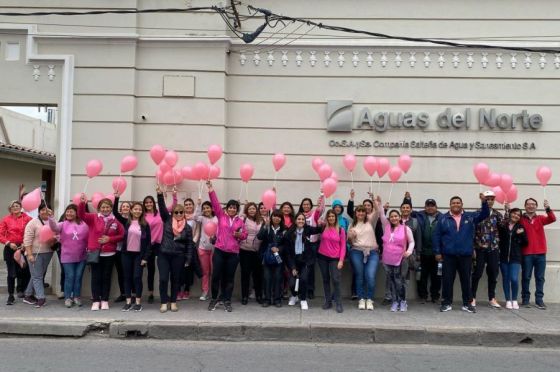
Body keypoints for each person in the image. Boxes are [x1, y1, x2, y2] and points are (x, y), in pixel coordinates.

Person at [433, 194, 489, 313]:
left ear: (462, 204)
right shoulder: (443, 218)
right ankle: (446, 303)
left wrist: (484, 202)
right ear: (450, 205)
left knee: (466, 280)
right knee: (447, 280)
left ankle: (467, 304)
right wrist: (437, 252)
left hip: (465, 255)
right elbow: (437, 236)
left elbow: (485, 214)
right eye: (453, 203)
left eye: (458, 203)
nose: (456, 204)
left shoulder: (470, 216)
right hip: (448, 255)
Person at [78, 194, 124, 311]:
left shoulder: (115, 221)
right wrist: (82, 203)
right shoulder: (93, 218)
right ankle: (96, 301)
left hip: (109, 254)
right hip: (95, 253)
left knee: (106, 278)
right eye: (103, 207)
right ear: (99, 208)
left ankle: (104, 300)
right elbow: (81, 215)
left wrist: (110, 239)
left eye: (107, 207)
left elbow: (122, 235)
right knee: (95, 277)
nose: (105, 209)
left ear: (111, 208)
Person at [206, 181, 247, 312]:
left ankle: (226, 300)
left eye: (235, 208)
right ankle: (214, 299)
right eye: (230, 207)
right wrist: (211, 189)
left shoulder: (240, 221)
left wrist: (239, 235)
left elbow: (245, 235)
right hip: (219, 251)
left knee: (229, 278)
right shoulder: (221, 216)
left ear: (237, 209)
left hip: (233, 254)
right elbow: (215, 203)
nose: (232, 209)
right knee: (216, 276)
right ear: (227, 208)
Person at [156, 186, 194, 313]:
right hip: (164, 255)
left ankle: (173, 302)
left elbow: (189, 244)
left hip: (178, 256)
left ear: (184, 214)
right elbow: (161, 208)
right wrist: (160, 195)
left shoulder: (187, 228)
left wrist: (188, 259)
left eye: (180, 212)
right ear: (173, 213)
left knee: (175, 280)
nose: (178, 214)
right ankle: (163, 302)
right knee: (163, 279)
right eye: (176, 212)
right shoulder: (167, 220)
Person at [113, 198, 152, 312]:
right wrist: (117, 198)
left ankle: (138, 302)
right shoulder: (126, 222)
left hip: (139, 255)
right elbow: (115, 212)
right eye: (135, 209)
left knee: (137, 277)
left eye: (139, 209)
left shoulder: (145, 225)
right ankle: (128, 301)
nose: (137, 211)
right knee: (127, 278)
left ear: (142, 212)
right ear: (131, 210)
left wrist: (145, 258)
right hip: (126, 254)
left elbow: (149, 243)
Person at [48, 204, 88, 307]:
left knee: (78, 277)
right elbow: (54, 228)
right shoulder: (62, 224)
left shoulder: (84, 224)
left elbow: (88, 236)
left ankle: (76, 296)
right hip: (67, 256)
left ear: (76, 213)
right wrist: (51, 217)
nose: (69, 213)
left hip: (82, 256)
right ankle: (67, 298)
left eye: (71, 211)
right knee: (70, 277)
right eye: (67, 211)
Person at [520, 198, 556, 309]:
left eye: (533, 204)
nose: (531, 206)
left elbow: (552, 218)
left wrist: (548, 208)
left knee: (540, 277)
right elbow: (509, 222)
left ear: (536, 206)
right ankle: (525, 300)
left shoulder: (540, 218)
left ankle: (539, 300)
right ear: (525, 206)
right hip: (526, 253)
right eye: (529, 204)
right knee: (526, 277)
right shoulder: (521, 219)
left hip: (540, 253)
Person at [379, 202, 415, 312]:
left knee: (400, 281)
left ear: (399, 217)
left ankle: (402, 301)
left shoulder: (405, 228)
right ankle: (395, 301)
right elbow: (381, 214)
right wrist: (378, 202)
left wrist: (409, 251)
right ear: (389, 218)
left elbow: (412, 241)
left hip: (400, 259)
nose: (394, 218)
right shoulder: (387, 226)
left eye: (396, 216)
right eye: (391, 216)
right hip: (387, 259)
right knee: (392, 281)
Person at [471, 190, 503, 309]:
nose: (489, 201)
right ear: (483, 200)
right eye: (487, 199)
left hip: (493, 248)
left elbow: (504, 227)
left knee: (493, 274)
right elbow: (472, 231)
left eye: (491, 199)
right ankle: (472, 297)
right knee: (477, 273)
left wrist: (507, 210)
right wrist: (473, 248)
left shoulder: (497, 214)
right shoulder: (477, 214)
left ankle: (491, 298)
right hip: (480, 248)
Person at [284, 212, 322, 310]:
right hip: (294, 261)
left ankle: (303, 299)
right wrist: (292, 267)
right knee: (292, 283)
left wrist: (322, 224)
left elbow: (318, 229)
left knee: (304, 279)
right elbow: (288, 253)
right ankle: (294, 295)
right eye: (299, 219)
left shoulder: (308, 229)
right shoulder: (289, 233)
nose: (301, 221)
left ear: (305, 221)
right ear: (295, 221)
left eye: (302, 219)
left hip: (305, 260)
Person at [22, 203, 57, 307]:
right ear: (39, 211)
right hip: (34, 253)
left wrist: (54, 239)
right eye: (42, 210)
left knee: (37, 274)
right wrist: (29, 255)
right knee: (37, 276)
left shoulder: (53, 222)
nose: (45, 211)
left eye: (47, 209)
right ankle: (41, 298)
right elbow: (27, 240)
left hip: (48, 252)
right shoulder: (33, 223)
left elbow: (58, 233)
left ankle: (28, 295)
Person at [409, 196, 442, 304]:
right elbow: (407, 209)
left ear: (436, 207)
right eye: (428, 206)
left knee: (437, 276)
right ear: (425, 207)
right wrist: (408, 199)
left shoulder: (442, 217)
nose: (430, 208)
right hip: (422, 252)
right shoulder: (419, 215)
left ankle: (435, 296)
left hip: (437, 253)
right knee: (421, 276)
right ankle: (423, 296)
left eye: (432, 206)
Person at [347, 203, 380, 311]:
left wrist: (374, 200)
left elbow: (377, 210)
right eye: (359, 211)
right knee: (359, 275)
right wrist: (351, 237)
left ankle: (369, 299)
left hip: (372, 252)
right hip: (356, 251)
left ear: (366, 213)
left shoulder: (370, 221)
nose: (361, 213)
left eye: (363, 211)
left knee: (370, 276)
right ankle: (361, 299)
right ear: (355, 213)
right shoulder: (352, 225)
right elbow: (350, 242)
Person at [1, 200, 32, 305]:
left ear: (21, 207)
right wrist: (8, 243)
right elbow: (0, 234)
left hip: (23, 248)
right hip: (10, 249)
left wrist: (25, 243)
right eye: (13, 206)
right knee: (11, 273)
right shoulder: (6, 219)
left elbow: (33, 230)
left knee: (24, 271)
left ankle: (23, 291)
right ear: (10, 209)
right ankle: (10, 295)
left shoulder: (27, 218)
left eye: (17, 205)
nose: (15, 207)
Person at [498, 207, 528, 310]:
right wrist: (506, 209)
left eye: (518, 215)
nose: (516, 216)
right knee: (506, 279)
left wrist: (522, 234)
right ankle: (507, 300)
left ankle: (514, 299)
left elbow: (525, 243)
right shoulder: (503, 226)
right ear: (510, 214)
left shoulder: (520, 227)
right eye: (514, 213)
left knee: (514, 279)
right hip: (503, 257)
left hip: (515, 257)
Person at [317, 209, 346, 313]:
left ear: (336, 217)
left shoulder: (341, 230)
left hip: (335, 258)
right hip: (322, 257)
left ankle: (338, 303)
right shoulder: (324, 227)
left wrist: (341, 260)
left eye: (333, 216)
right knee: (325, 279)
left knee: (336, 280)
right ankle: (328, 301)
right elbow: (317, 217)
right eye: (329, 216)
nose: (331, 218)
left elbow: (343, 246)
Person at [257, 209, 287, 307]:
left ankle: (277, 299)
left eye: (279, 216)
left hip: (279, 257)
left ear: (281, 218)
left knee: (278, 278)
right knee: (267, 278)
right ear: (271, 216)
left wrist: (279, 249)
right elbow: (259, 237)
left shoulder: (284, 229)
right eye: (274, 216)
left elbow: (287, 244)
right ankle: (267, 299)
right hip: (267, 257)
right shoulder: (267, 226)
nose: (276, 218)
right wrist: (265, 226)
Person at [297, 195, 324, 300]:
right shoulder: (299, 216)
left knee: (310, 268)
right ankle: (299, 289)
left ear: (311, 205)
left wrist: (321, 197)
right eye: (304, 204)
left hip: (312, 244)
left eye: (308, 204)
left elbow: (320, 209)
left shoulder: (314, 214)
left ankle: (310, 289)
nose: (306, 206)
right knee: (300, 267)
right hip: (300, 245)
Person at [239, 202, 263, 305]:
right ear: (247, 210)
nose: (252, 210)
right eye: (250, 209)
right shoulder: (243, 219)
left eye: (253, 209)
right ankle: (244, 296)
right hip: (245, 250)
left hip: (258, 251)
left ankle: (258, 295)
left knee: (258, 275)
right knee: (245, 274)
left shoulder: (261, 220)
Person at [194, 201, 217, 301]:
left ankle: (214, 292)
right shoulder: (202, 218)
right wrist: (199, 205)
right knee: (205, 272)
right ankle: (205, 291)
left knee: (214, 271)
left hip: (215, 249)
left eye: (208, 208)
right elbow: (195, 216)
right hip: (203, 249)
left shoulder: (217, 219)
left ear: (212, 208)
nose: (206, 210)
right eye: (204, 208)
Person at [177, 198, 199, 301]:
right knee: (179, 268)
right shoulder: (180, 216)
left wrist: (193, 242)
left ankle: (186, 290)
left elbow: (198, 231)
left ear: (193, 206)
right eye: (186, 205)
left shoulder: (196, 218)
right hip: (180, 247)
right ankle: (178, 290)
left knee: (189, 269)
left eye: (190, 204)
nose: (188, 206)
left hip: (191, 246)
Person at [143, 195, 163, 304]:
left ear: (153, 203)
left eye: (150, 202)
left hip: (160, 244)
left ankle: (162, 292)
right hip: (149, 245)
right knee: (151, 270)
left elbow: (172, 207)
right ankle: (150, 293)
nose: (149, 204)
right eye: (146, 203)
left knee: (162, 269)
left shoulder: (160, 212)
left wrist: (174, 195)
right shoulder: (143, 215)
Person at [113, 201, 131, 303]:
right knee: (120, 272)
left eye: (127, 206)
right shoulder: (117, 219)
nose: (125, 208)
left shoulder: (133, 219)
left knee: (130, 273)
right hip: (118, 249)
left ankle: (131, 293)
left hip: (130, 249)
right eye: (123, 206)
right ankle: (123, 293)